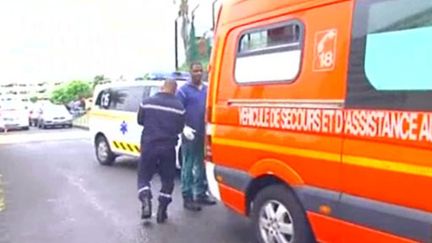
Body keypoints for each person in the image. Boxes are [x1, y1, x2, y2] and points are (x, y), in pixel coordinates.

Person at [137, 79, 185, 223]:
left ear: (162, 87)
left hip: (149, 146)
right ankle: (162, 211)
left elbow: (140, 121)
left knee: (144, 176)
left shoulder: (147, 102)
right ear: (175, 90)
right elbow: (180, 128)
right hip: (168, 148)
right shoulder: (179, 107)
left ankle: (145, 201)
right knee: (168, 179)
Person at [176, 62, 216, 211]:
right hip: (189, 134)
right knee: (188, 165)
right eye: (195, 71)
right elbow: (178, 111)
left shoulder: (206, 89)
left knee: (201, 164)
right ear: (190, 72)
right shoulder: (183, 91)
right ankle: (187, 196)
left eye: (200, 70)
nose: (198, 73)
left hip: (204, 133)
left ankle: (200, 193)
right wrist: (183, 127)